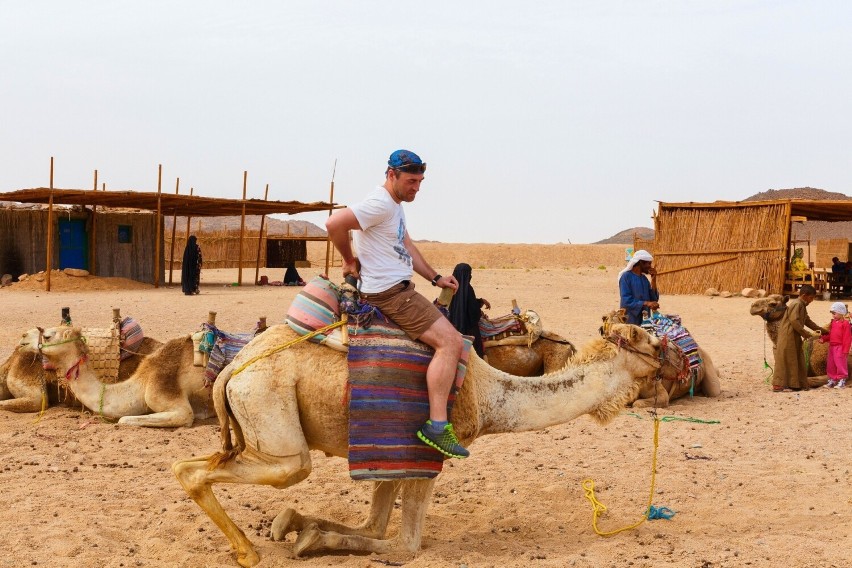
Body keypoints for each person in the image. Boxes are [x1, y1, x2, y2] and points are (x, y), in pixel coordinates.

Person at [325, 149, 468, 459]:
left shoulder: (393, 205)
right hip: (391, 294)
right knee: (450, 342)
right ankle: (437, 426)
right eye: (411, 181)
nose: (416, 188)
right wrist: (350, 260)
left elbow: (406, 244)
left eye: (420, 182)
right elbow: (335, 223)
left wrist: (435, 277)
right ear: (391, 175)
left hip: (400, 288)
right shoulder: (379, 203)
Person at [772, 284, 826, 392]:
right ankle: (778, 385)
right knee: (785, 359)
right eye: (811, 298)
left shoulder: (802, 305)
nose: (812, 301)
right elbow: (794, 321)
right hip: (788, 335)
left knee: (795, 359)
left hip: (794, 335)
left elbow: (807, 320)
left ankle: (794, 384)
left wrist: (823, 330)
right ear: (805, 295)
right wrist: (806, 334)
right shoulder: (797, 304)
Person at [447, 263, 491, 357]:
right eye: (469, 273)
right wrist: (480, 312)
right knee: (475, 350)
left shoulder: (448, 288)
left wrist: (480, 301)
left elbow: (459, 303)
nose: (471, 276)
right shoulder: (468, 289)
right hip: (468, 329)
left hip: (451, 328)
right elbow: (473, 311)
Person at [618, 249, 659, 325]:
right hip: (630, 318)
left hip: (644, 319)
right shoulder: (626, 277)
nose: (650, 267)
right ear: (641, 263)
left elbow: (654, 298)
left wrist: (653, 279)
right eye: (649, 264)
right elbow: (626, 300)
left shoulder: (644, 279)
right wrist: (646, 303)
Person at [819, 302, 850, 389]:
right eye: (832, 313)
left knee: (840, 363)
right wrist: (824, 339)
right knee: (831, 364)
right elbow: (831, 334)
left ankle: (842, 380)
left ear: (841, 312)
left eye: (834, 313)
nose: (833, 315)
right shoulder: (833, 323)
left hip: (840, 347)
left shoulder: (845, 323)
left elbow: (847, 338)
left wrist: (845, 350)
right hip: (832, 347)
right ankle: (832, 379)